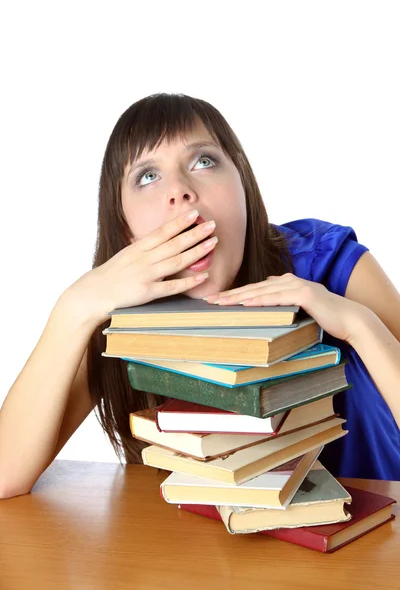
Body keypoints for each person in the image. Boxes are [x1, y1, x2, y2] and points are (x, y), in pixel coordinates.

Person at [0, 93, 399, 500]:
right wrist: (73, 307)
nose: (180, 192)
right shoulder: (109, 316)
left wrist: (357, 325)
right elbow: (5, 474)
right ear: (125, 229)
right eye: (147, 176)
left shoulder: (327, 261)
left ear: (244, 185)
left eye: (203, 161)